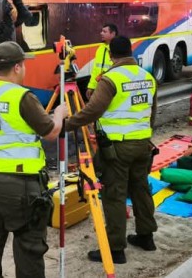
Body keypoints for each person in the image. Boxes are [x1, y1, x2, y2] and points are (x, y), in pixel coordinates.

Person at [0, 41, 68, 278]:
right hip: (18, 186)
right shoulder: (21, 96)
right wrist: (59, 114)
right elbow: (50, 132)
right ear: (18, 67)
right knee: (28, 245)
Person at [64, 36, 158, 264]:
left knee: (114, 195)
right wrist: (144, 135)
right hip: (142, 143)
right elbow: (152, 111)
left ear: (111, 54)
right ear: (130, 52)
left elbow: (93, 110)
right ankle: (146, 237)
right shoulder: (147, 76)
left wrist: (67, 124)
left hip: (117, 148)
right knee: (140, 189)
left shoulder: (111, 79)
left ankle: (115, 249)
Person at [87, 23, 118, 100]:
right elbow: (95, 71)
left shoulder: (118, 49)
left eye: (104, 31)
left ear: (113, 34)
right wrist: (91, 87)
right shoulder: (100, 49)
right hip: (101, 88)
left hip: (112, 89)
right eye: (101, 31)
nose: (101, 33)